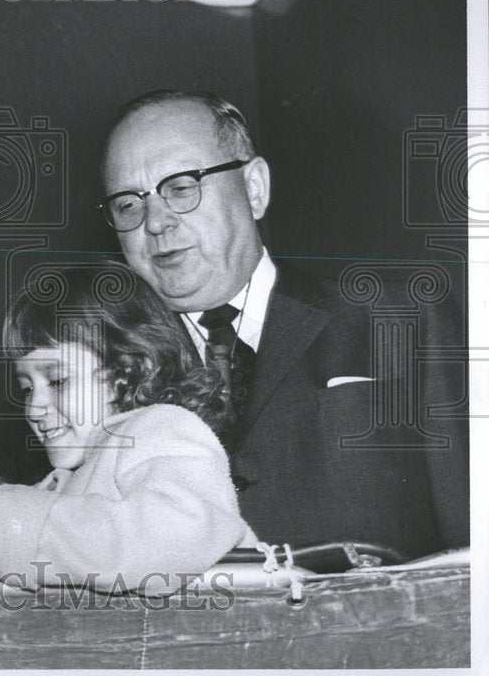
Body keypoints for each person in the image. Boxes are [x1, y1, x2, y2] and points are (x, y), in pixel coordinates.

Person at [96, 89, 468, 557]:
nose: (155, 222)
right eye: (128, 204)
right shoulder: (100, 369)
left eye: (182, 186)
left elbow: (469, 529)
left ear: (254, 189)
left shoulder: (400, 318)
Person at [0, 265, 256, 591]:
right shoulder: (69, 478)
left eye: (57, 382)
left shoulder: (164, 429)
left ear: (131, 370)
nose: (34, 407)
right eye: (25, 388)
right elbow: (46, 546)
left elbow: (176, 536)